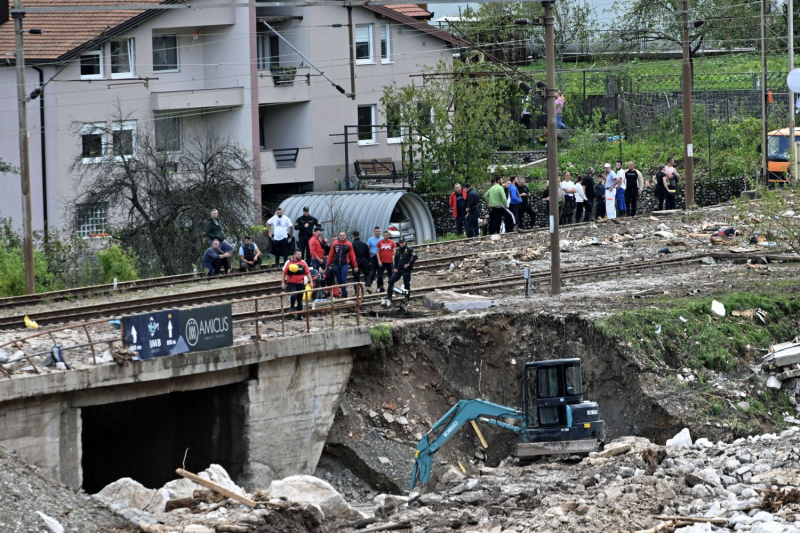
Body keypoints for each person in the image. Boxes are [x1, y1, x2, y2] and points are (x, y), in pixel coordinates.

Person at [382, 238, 418, 307]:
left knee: (406, 284)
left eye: (402, 242)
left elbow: (415, 256)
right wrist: (395, 267)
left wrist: (409, 263)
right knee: (391, 280)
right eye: (400, 243)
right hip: (399, 269)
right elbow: (395, 259)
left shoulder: (409, 250)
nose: (401, 244)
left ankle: (407, 299)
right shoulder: (398, 250)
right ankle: (389, 295)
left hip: (406, 269)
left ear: (405, 242)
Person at [327, 231, 358, 297]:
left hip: (345, 264)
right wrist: (327, 264)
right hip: (336, 264)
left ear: (345, 236)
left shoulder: (349, 244)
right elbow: (331, 255)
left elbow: (352, 256)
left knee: (343, 278)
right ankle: (342, 290)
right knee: (339, 279)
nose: (342, 236)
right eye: (341, 235)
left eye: (343, 235)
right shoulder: (335, 244)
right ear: (339, 236)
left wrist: (355, 266)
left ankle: (344, 294)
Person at [282, 249, 310, 320]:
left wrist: (311, 281)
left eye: (300, 254)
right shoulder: (289, 262)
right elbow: (284, 273)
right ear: (294, 255)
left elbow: (308, 272)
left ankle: (299, 316)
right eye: (298, 254)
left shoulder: (303, 262)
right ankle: (292, 306)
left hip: (300, 283)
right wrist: (283, 283)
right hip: (291, 283)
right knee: (294, 295)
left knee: (300, 300)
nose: (300, 256)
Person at [366, 226, 382, 292]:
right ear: (374, 232)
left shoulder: (382, 239)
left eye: (379, 231)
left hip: (380, 258)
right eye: (377, 231)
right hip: (373, 257)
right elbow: (368, 249)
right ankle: (368, 286)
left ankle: (379, 287)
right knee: (372, 273)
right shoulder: (370, 239)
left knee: (380, 274)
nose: (378, 233)